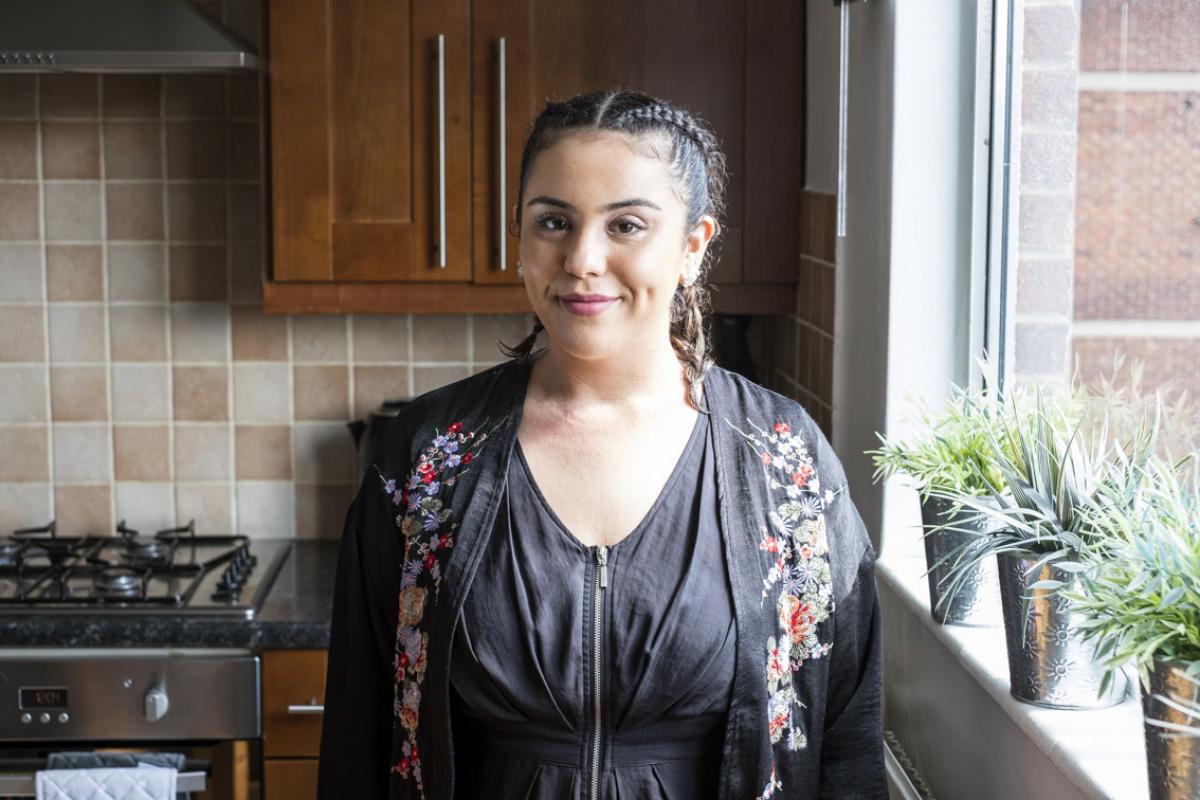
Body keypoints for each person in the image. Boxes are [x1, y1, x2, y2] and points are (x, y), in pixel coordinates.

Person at [317, 90, 885, 800]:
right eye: (553, 221)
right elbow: (358, 738)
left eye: (626, 225)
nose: (582, 259)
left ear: (693, 246)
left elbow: (846, 742)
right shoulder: (429, 458)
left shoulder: (782, 461)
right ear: (520, 239)